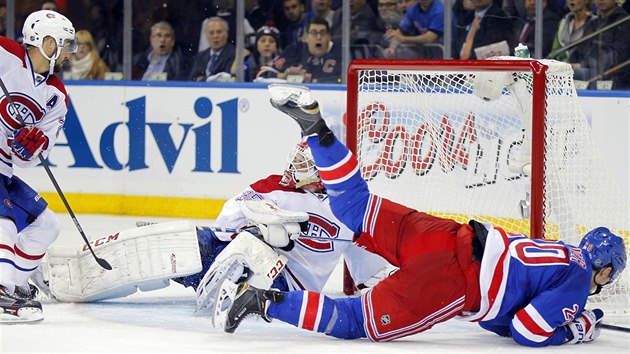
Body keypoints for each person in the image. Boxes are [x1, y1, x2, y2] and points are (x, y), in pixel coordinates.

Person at [213, 85, 627, 347]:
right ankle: (264, 301)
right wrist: (578, 327)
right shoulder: (576, 280)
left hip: (445, 234)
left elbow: (500, 323)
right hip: (451, 277)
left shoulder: (560, 251)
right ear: (604, 271)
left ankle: (317, 130)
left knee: (354, 203)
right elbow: (528, 332)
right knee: (357, 320)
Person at [40, 141, 392, 306]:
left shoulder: (353, 210)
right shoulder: (274, 187)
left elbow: (371, 272)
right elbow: (225, 222)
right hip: (241, 261)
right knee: (175, 243)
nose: (294, 166)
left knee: (240, 244)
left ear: (324, 170)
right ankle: (75, 279)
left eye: (304, 162)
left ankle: (235, 288)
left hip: (289, 289)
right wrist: (262, 215)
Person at [0, 9, 76, 324]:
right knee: (3, 219)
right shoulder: (6, 54)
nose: (68, 50)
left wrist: (29, 146)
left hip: (3, 168)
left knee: (47, 226)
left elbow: (28, 160)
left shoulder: (55, 95)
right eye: (64, 42)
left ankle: (15, 284)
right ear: (45, 40)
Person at [571, 0, 630, 89]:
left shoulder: (624, 22)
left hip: (615, 76)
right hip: (592, 71)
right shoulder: (593, 23)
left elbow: (619, 56)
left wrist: (583, 64)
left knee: (579, 73)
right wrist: (567, 64)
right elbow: (579, 49)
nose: (601, 0)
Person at [263, 17, 342, 83]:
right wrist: (283, 76)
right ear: (306, 37)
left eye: (323, 33)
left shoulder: (340, 54)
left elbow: (343, 80)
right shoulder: (294, 51)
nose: (318, 37)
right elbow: (262, 72)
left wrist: (307, 79)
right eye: (314, 33)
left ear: (329, 36)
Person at [382, 0, 456, 59]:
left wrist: (403, 39)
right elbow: (400, 32)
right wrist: (392, 48)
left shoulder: (440, 11)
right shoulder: (413, 9)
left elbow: (429, 38)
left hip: (446, 54)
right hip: (425, 54)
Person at [189, 17, 236, 82]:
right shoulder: (201, 56)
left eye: (219, 32)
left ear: (226, 34)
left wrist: (204, 79)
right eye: (211, 33)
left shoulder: (234, 54)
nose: (215, 36)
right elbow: (192, 79)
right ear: (206, 36)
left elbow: (227, 78)